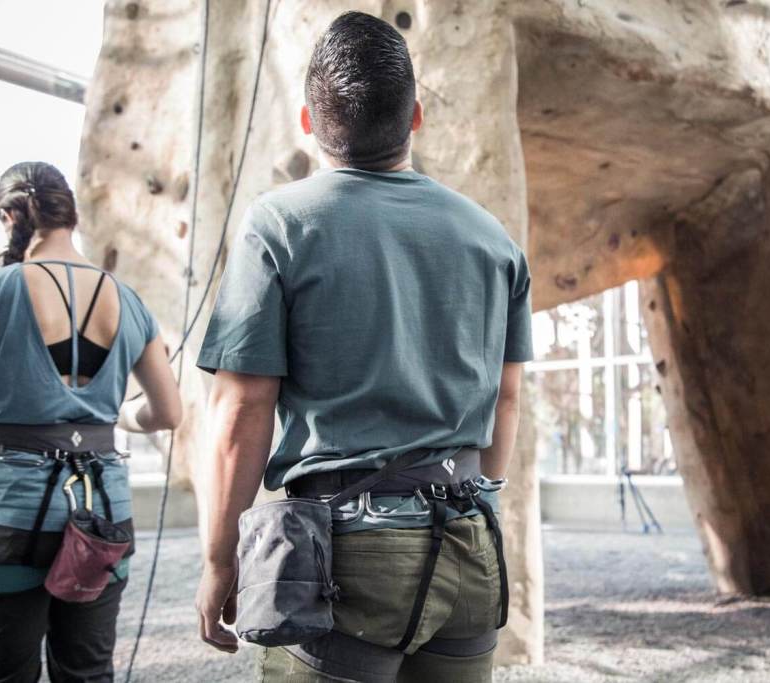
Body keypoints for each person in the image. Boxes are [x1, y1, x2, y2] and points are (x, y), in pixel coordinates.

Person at [194, 10, 534, 683]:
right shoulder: (493, 239)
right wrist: (477, 498)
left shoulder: (280, 225)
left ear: (306, 121)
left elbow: (240, 410)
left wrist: (218, 561)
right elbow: (510, 395)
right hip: (467, 546)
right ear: (414, 118)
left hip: (340, 561)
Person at [0, 161, 182, 682]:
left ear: (10, 216)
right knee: (86, 671)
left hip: (7, 510)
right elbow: (167, 412)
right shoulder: (130, 302)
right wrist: (118, 415)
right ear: (71, 217)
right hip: (102, 510)